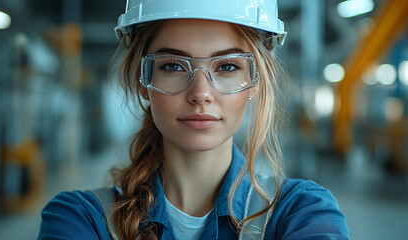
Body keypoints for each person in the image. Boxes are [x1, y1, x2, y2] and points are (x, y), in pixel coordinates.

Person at [38, 0, 350, 239]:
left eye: (227, 67)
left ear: (255, 82)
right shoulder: (80, 219)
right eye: (173, 66)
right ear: (141, 81)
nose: (201, 93)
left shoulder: (303, 213)